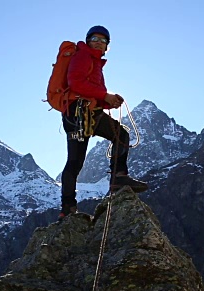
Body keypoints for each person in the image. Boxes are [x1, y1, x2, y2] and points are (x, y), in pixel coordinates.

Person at [59, 25, 148, 220]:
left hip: (84, 113)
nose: (99, 43)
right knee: (79, 159)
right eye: (95, 39)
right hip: (79, 114)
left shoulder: (94, 62)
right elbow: (76, 83)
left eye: (103, 40)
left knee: (78, 160)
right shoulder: (83, 56)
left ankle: (69, 208)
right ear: (88, 41)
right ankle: (117, 179)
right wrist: (105, 96)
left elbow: (87, 89)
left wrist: (107, 101)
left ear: (107, 46)